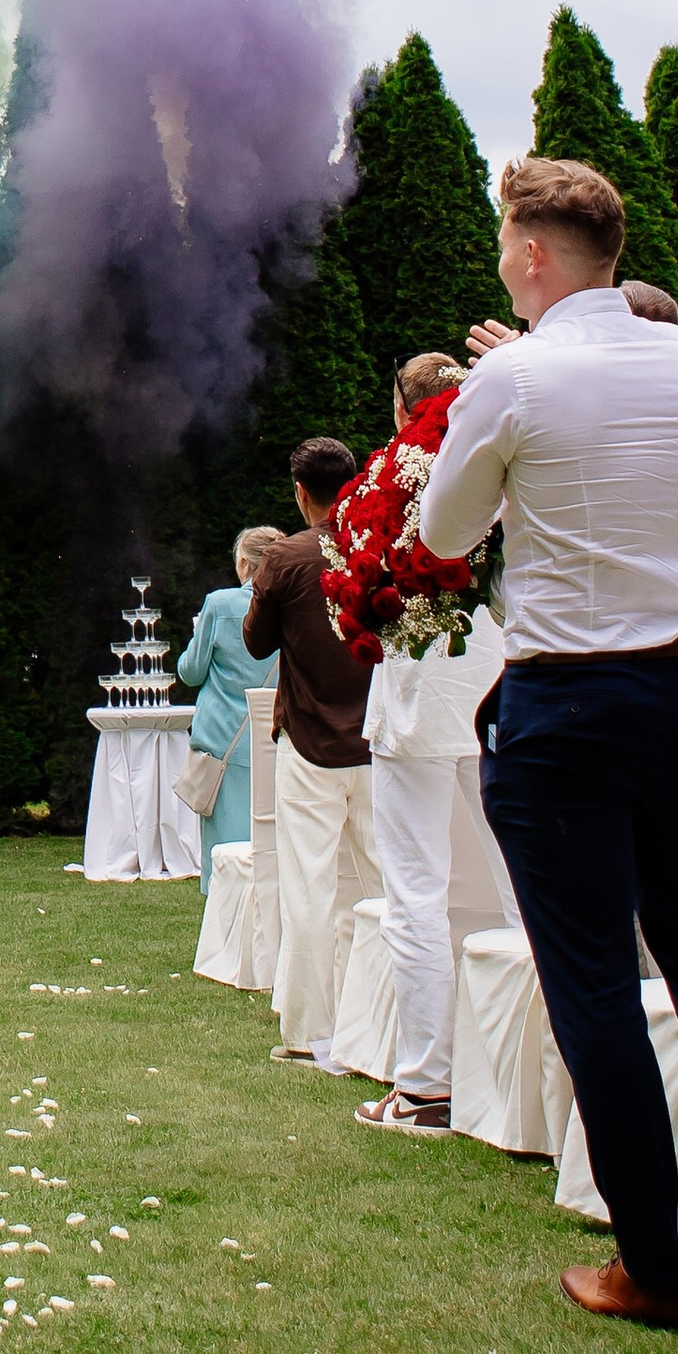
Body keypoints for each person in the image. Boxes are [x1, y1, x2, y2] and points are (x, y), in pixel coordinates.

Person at [422, 155, 678, 1331]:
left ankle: (654, 1266)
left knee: (592, 976)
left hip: (564, 702)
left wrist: (500, 403)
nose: (500, 260)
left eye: (503, 241)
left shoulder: (519, 376)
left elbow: (446, 527)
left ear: (531, 256)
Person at [323, 355, 509, 1136]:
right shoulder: (504, 454)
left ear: (404, 411)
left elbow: (363, 566)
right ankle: (546, 1078)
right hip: (498, 672)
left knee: (416, 893)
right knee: (522, 883)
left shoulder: (391, 477)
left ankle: (427, 1082)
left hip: (420, 686)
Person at [243, 438, 378, 1068]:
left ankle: (304, 1033)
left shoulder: (287, 557)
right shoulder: (377, 547)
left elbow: (255, 642)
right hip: (378, 741)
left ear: (300, 493)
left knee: (308, 887)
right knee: (379, 889)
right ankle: (379, 1025)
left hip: (308, 740)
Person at [175, 532, 281, 884]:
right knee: (272, 849)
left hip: (222, 742)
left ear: (244, 564)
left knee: (223, 854)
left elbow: (190, 672)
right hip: (275, 739)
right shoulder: (293, 605)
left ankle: (223, 930)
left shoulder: (219, 605)